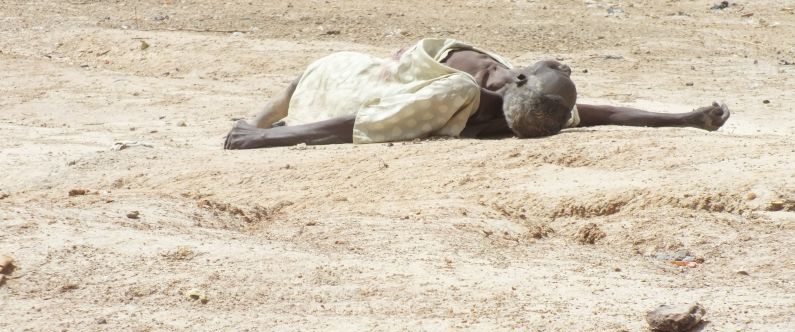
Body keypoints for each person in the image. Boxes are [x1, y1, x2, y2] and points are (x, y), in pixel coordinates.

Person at [224, 38, 730, 150]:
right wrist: (680, 118)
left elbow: (362, 124)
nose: (557, 63)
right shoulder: (531, 105)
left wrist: (262, 137)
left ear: (522, 82)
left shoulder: (458, 90)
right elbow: (604, 113)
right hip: (389, 76)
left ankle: (255, 121)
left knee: (307, 77)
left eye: (553, 70)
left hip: (357, 86)